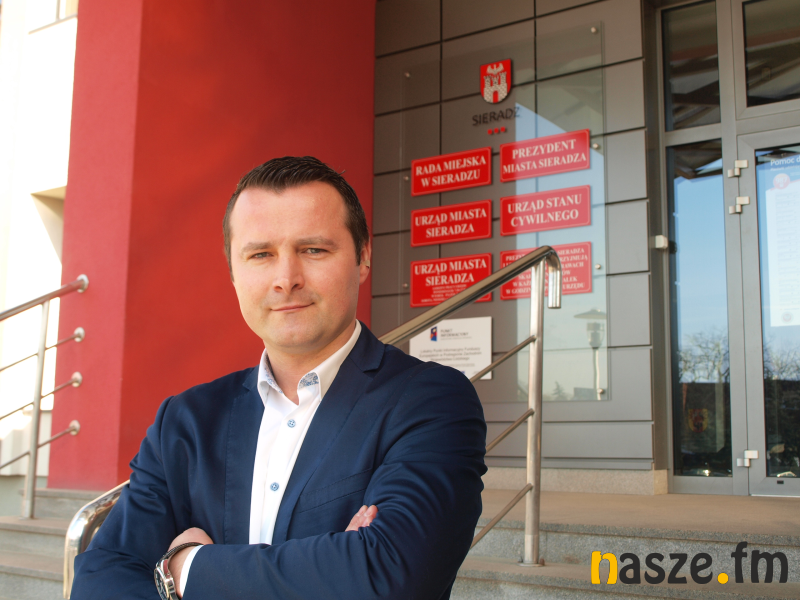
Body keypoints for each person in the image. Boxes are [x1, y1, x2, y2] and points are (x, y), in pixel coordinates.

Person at [71, 156, 487, 600]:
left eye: (313, 250)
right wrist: (336, 563)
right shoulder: (185, 422)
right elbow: (100, 581)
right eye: (261, 255)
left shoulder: (431, 402)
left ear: (363, 257)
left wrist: (185, 567)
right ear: (233, 272)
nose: (286, 279)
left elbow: (389, 577)